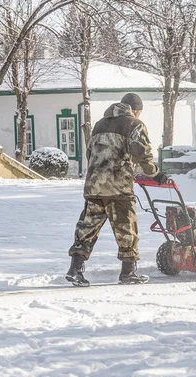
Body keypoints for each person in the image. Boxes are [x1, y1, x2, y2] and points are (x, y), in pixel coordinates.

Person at [66, 93, 168, 286]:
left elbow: (91, 153)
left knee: (87, 227)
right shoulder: (134, 124)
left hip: (94, 185)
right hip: (118, 187)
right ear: (136, 110)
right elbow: (142, 154)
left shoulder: (99, 124)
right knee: (126, 228)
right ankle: (128, 272)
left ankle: (75, 269)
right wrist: (155, 174)